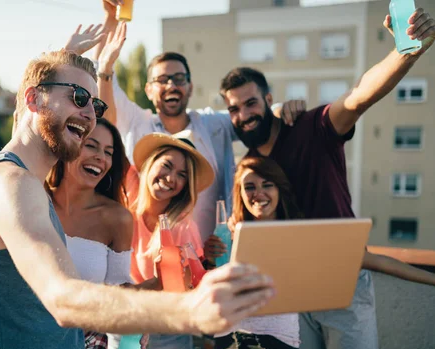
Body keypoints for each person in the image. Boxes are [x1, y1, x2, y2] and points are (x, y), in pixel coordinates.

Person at [0, 46, 275, 349]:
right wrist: (189, 309)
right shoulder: (12, 184)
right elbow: (63, 299)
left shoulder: (22, 183)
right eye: (78, 97)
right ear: (32, 99)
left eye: (95, 105)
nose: (90, 114)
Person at [217, 8, 435, 349]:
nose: (243, 114)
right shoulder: (249, 168)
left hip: (343, 280)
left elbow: (357, 98)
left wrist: (406, 52)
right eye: (234, 108)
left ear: (268, 99)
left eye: (250, 103)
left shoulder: (311, 126)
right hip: (291, 293)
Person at [94, 0, 306, 243]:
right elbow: (102, 76)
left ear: (190, 87)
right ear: (149, 90)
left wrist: (282, 109)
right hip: (146, 255)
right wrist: (111, 18)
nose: (172, 85)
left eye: (179, 78)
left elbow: (251, 117)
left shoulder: (212, 124)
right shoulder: (136, 122)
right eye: (162, 79)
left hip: (211, 258)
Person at [109, 130, 214, 349]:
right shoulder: (122, 209)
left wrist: (192, 276)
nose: (171, 178)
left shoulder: (182, 227)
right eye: (167, 165)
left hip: (168, 329)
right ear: (148, 166)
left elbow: (190, 287)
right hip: (126, 323)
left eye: (182, 175)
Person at [46, 117, 133, 349]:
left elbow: (118, 292)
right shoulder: (34, 200)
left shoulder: (117, 218)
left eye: (109, 152)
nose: (100, 157)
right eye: (91, 145)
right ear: (68, 146)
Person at [206, 156, 303, 349]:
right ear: (240, 193)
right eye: (249, 187)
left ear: (279, 188)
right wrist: (208, 261)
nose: (258, 193)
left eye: (267, 184)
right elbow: (215, 293)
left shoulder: (299, 232)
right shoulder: (230, 233)